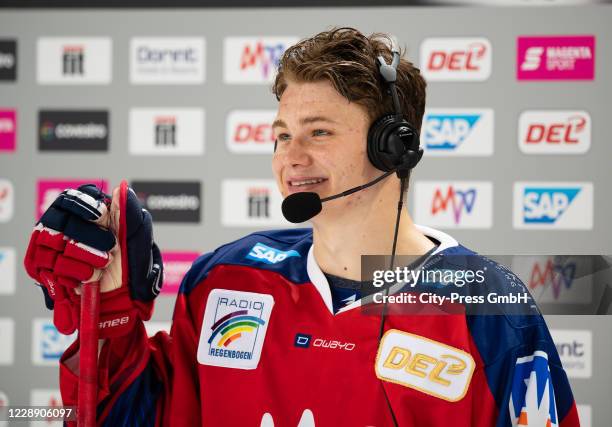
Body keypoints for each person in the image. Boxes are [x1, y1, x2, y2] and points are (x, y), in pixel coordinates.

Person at [24, 28, 580, 427]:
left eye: (318, 132)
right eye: (282, 134)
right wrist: (110, 322)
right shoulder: (227, 279)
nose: (291, 156)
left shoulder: (486, 304)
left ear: (394, 146)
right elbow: (131, 416)